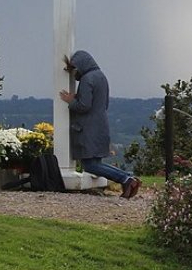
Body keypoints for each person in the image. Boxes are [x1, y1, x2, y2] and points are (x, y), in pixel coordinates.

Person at [59, 50, 141, 199]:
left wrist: (71, 101)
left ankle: (127, 179)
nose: (75, 74)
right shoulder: (101, 76)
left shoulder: (87, 79)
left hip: (88, 128)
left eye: (75, 69)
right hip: (100, 124)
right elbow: (102, 102)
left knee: (90, 165)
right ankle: (128, 179)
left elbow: (84, 105)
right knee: (95, 162)